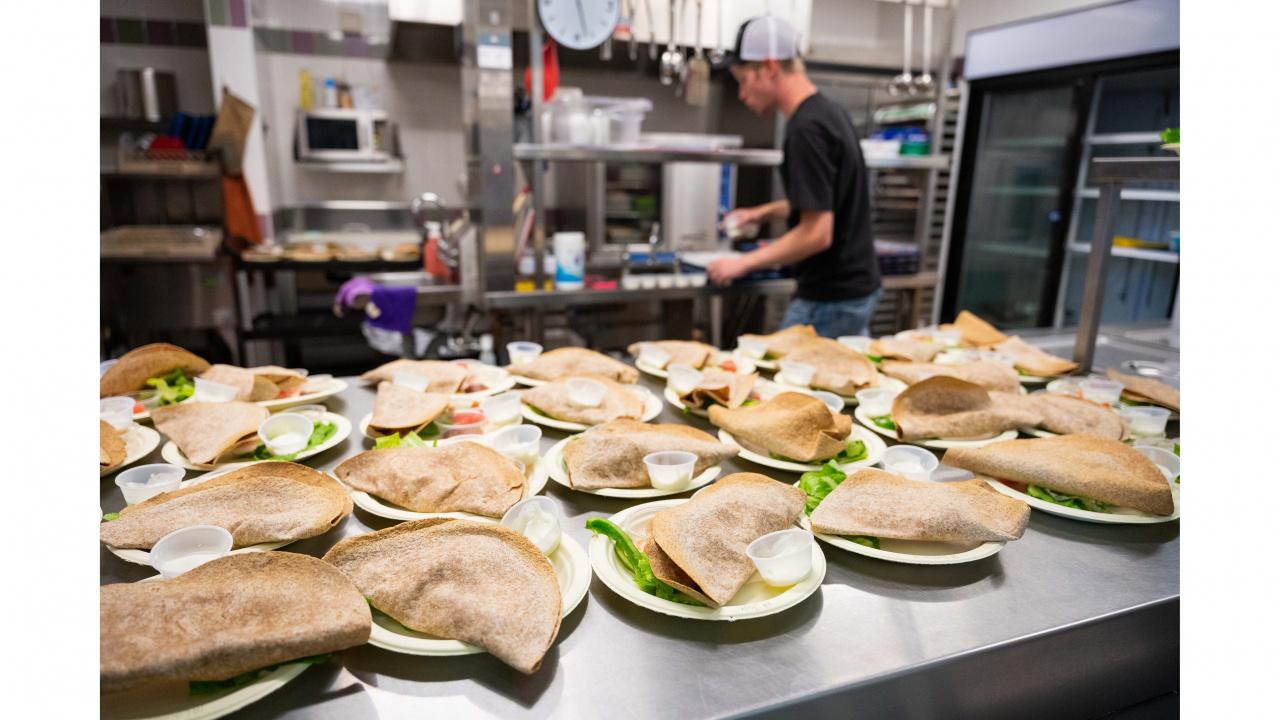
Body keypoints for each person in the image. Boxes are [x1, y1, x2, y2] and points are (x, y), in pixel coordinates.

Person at [706, 15, 882, 339]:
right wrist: (761, 213)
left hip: (831, 297)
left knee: (787, 380)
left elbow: (817, 233)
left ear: (769, 67)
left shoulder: (806, 129)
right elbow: (822, 201)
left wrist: (744, 263)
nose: (742, 93)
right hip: (853, 290)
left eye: (743, 79)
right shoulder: (828, 111)